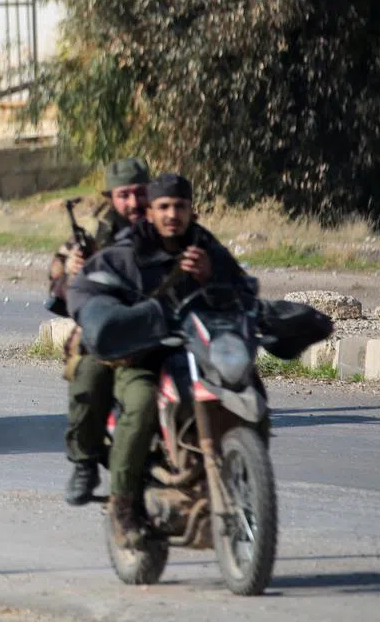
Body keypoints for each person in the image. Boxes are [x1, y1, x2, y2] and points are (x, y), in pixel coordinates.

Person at [66, 172, 250, 549]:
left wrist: (211, 277)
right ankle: (123, 505)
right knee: (143, 401)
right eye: (164, 207)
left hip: (195, 352)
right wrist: (108, 320)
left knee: (242, 386)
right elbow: (84, 290)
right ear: (151, 211)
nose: (172, 215)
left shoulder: (204, 247)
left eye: (180, 206)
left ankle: (244, 472)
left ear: (191, 210)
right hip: (140, 355)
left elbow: (243, 293)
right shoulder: (126, 251)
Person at [48, 157, 151, 507]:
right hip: (109, 329)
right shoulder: (92, 233)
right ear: (111, 197)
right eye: (125, 195)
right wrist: (72, 273)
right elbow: (58, 286)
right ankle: (85, 463)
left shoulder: (167, 219)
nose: (134, 203)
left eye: (140, 193)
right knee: (89, 379)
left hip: (162, 323)